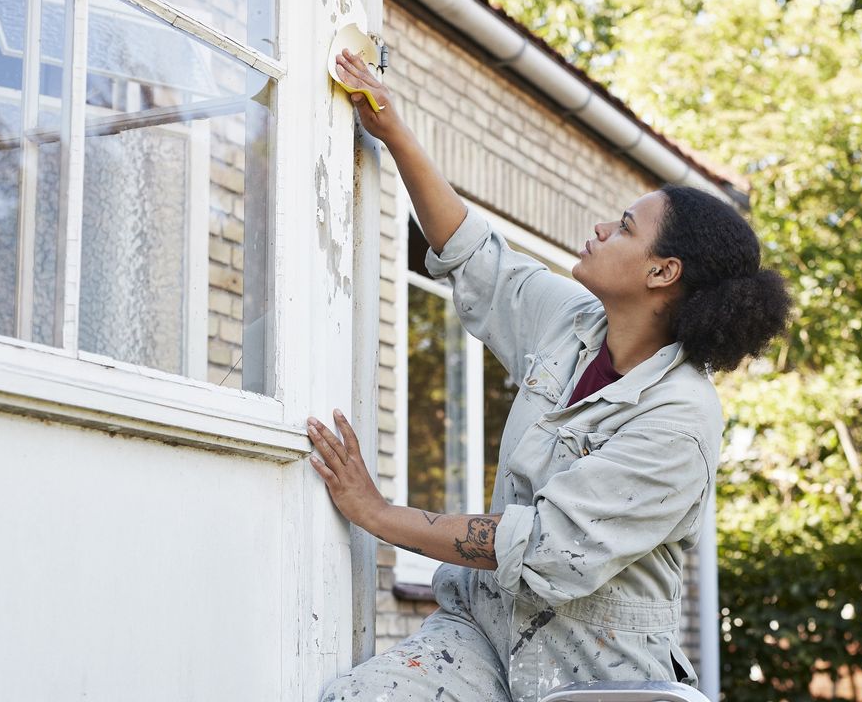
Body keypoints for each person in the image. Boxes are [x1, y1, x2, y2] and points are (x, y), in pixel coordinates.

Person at [306, 49, 792, 702]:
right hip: (481, 635)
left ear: (662, 273)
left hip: (596, 674)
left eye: (623, 227)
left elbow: (542, 548)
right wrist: (394, 132)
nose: (600, 228)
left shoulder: (681, 420)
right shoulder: (573, 321)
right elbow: (476, 257)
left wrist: (381, 514)